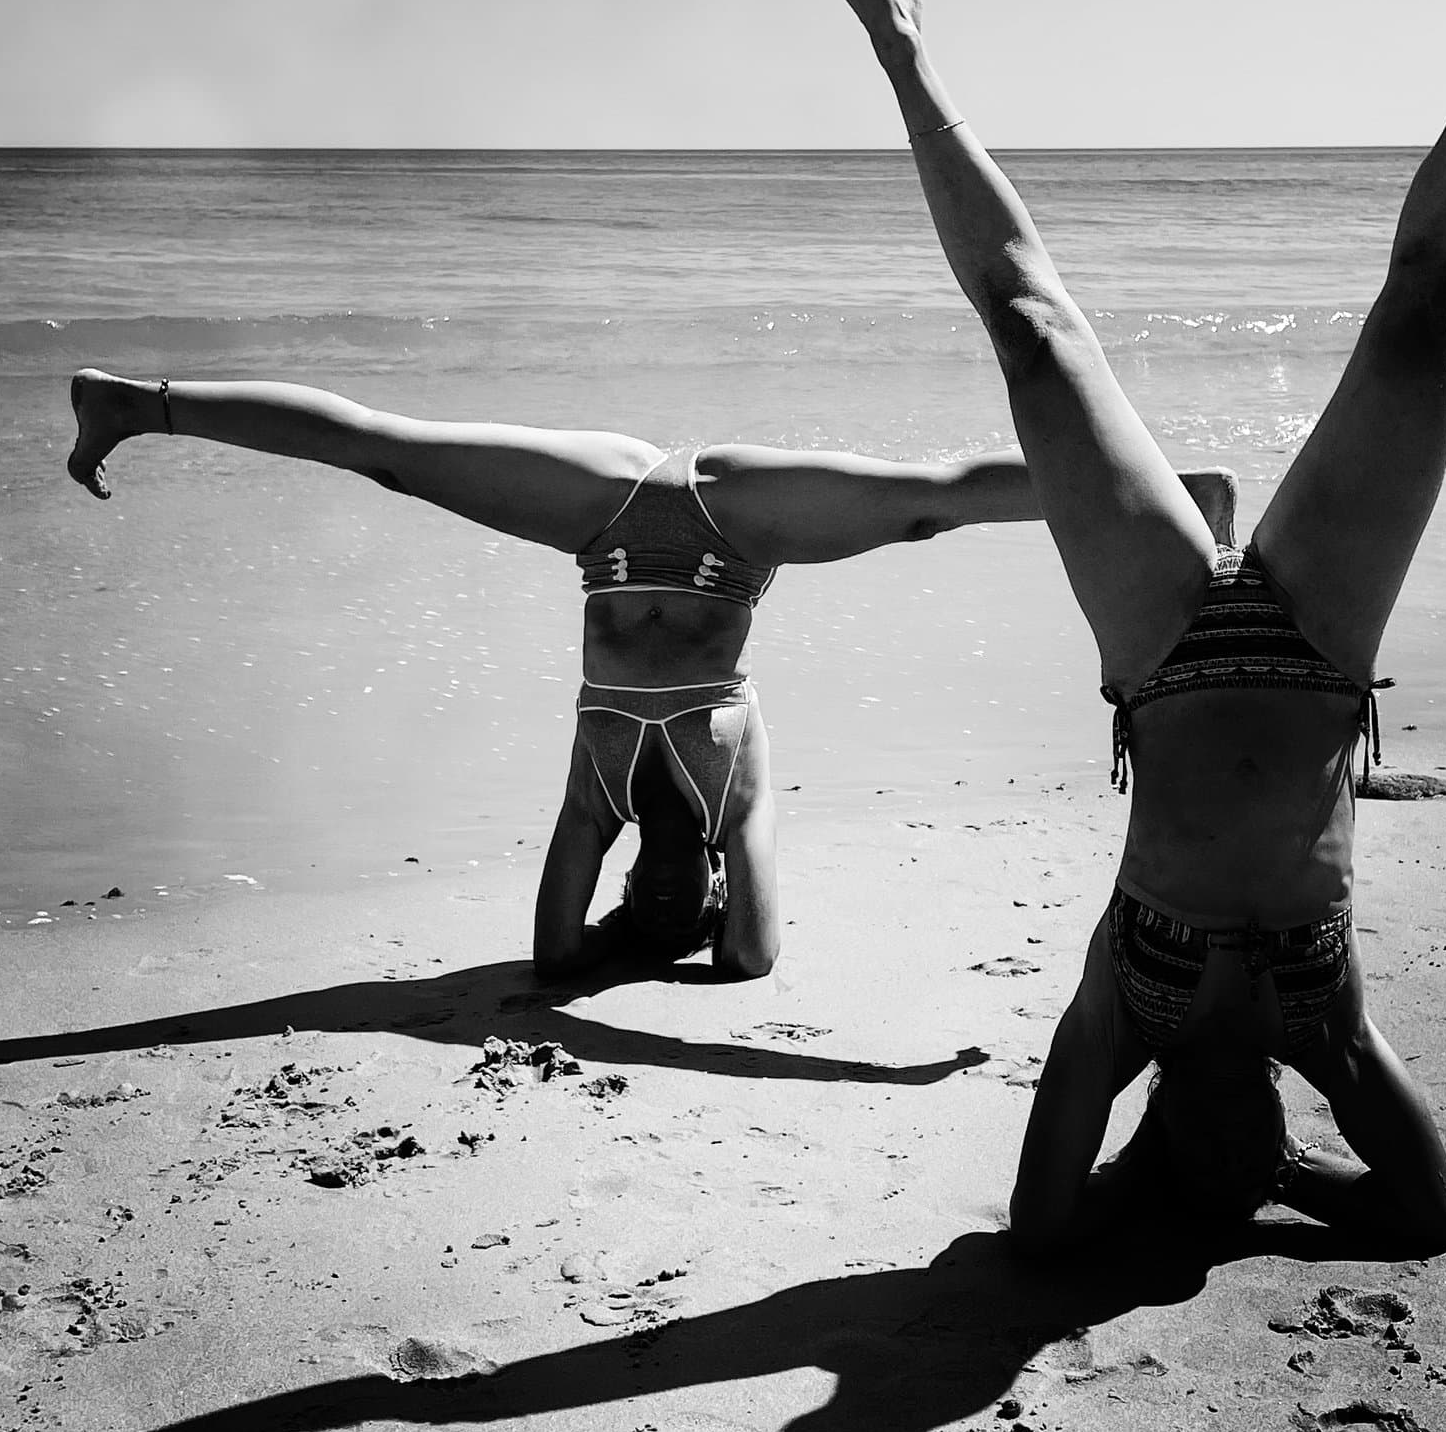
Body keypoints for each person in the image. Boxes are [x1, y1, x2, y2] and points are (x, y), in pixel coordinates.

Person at [791, 0, 1446, 1252]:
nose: (1246, 1152)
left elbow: (1047, 1229)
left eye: (1212, 1167)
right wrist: (1294, 1189)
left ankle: (900, 47)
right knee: (1427, 319)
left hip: (1162, 654)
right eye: (1272, 1159)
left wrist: (1170, 1197)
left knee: (1032, 330)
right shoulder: (1333, 1040)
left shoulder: (1125, 1018)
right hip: (1320, 645)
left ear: (1158, 1135)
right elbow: (1430, 1220)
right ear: (1295, 1139)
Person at [65, 375, 1234, 981]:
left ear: (635, 884)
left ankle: (145, 404)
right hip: (739, 521)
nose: (674, 902)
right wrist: (714, 901)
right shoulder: (738, 806)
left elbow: (552, 958)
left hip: (604, 516)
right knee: (932, 499)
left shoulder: (597, 805)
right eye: (692, 903)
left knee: (389, 459)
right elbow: (751, 961)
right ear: (713, 885)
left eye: (655, 903)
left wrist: (622, 939)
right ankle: (1177, 494)